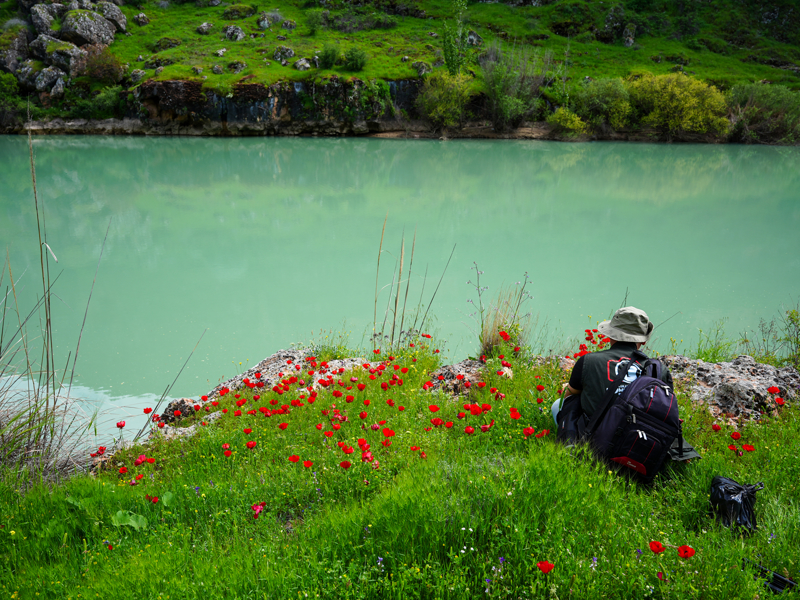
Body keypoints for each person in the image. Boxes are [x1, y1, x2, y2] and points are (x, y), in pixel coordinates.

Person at [552, 306, 673, 426]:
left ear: (610, 335)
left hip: (594, 437)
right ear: (643, 341)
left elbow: (567, 397)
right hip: (640, 440)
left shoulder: (588, 361)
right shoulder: (658, 370)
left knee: (558, 404)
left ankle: (575, 441)